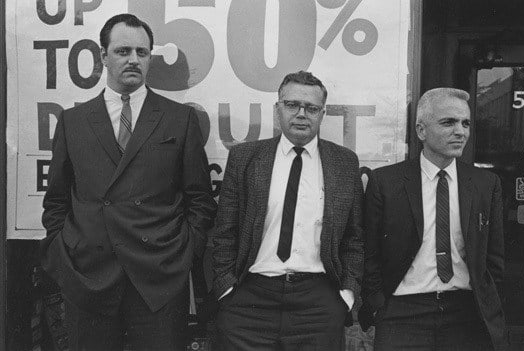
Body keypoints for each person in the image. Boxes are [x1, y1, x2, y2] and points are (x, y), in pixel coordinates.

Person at [40, 13, 217, 350]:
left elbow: (200, 198)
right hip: (89, 277)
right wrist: (64, 258)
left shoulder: (179, 119)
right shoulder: (73, 122)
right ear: (103, 56)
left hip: (158, 280)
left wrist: (184, 254)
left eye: (142, 52)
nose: (134, 60)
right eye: (123, 52)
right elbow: (57, 200)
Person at [211, 70, 364, 351]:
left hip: (317, 302)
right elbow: (224, 231)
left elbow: (354, 237)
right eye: (292, 105)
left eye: (311, 108)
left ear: (322, 113)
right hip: (250, 298)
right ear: (277, 109)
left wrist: (347, 293)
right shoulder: (245, 158)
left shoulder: (343, 163)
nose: (301, 114)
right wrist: (226, 288)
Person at [358, 88, 506, 350]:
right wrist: (379, 303)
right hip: (403, 312)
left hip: (466, 313)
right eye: (448, 122)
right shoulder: (386, 182)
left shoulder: (485, 183)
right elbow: (370, 253)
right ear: (421, 131)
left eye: (465, 123)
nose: (460, 131)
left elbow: (493, 258)